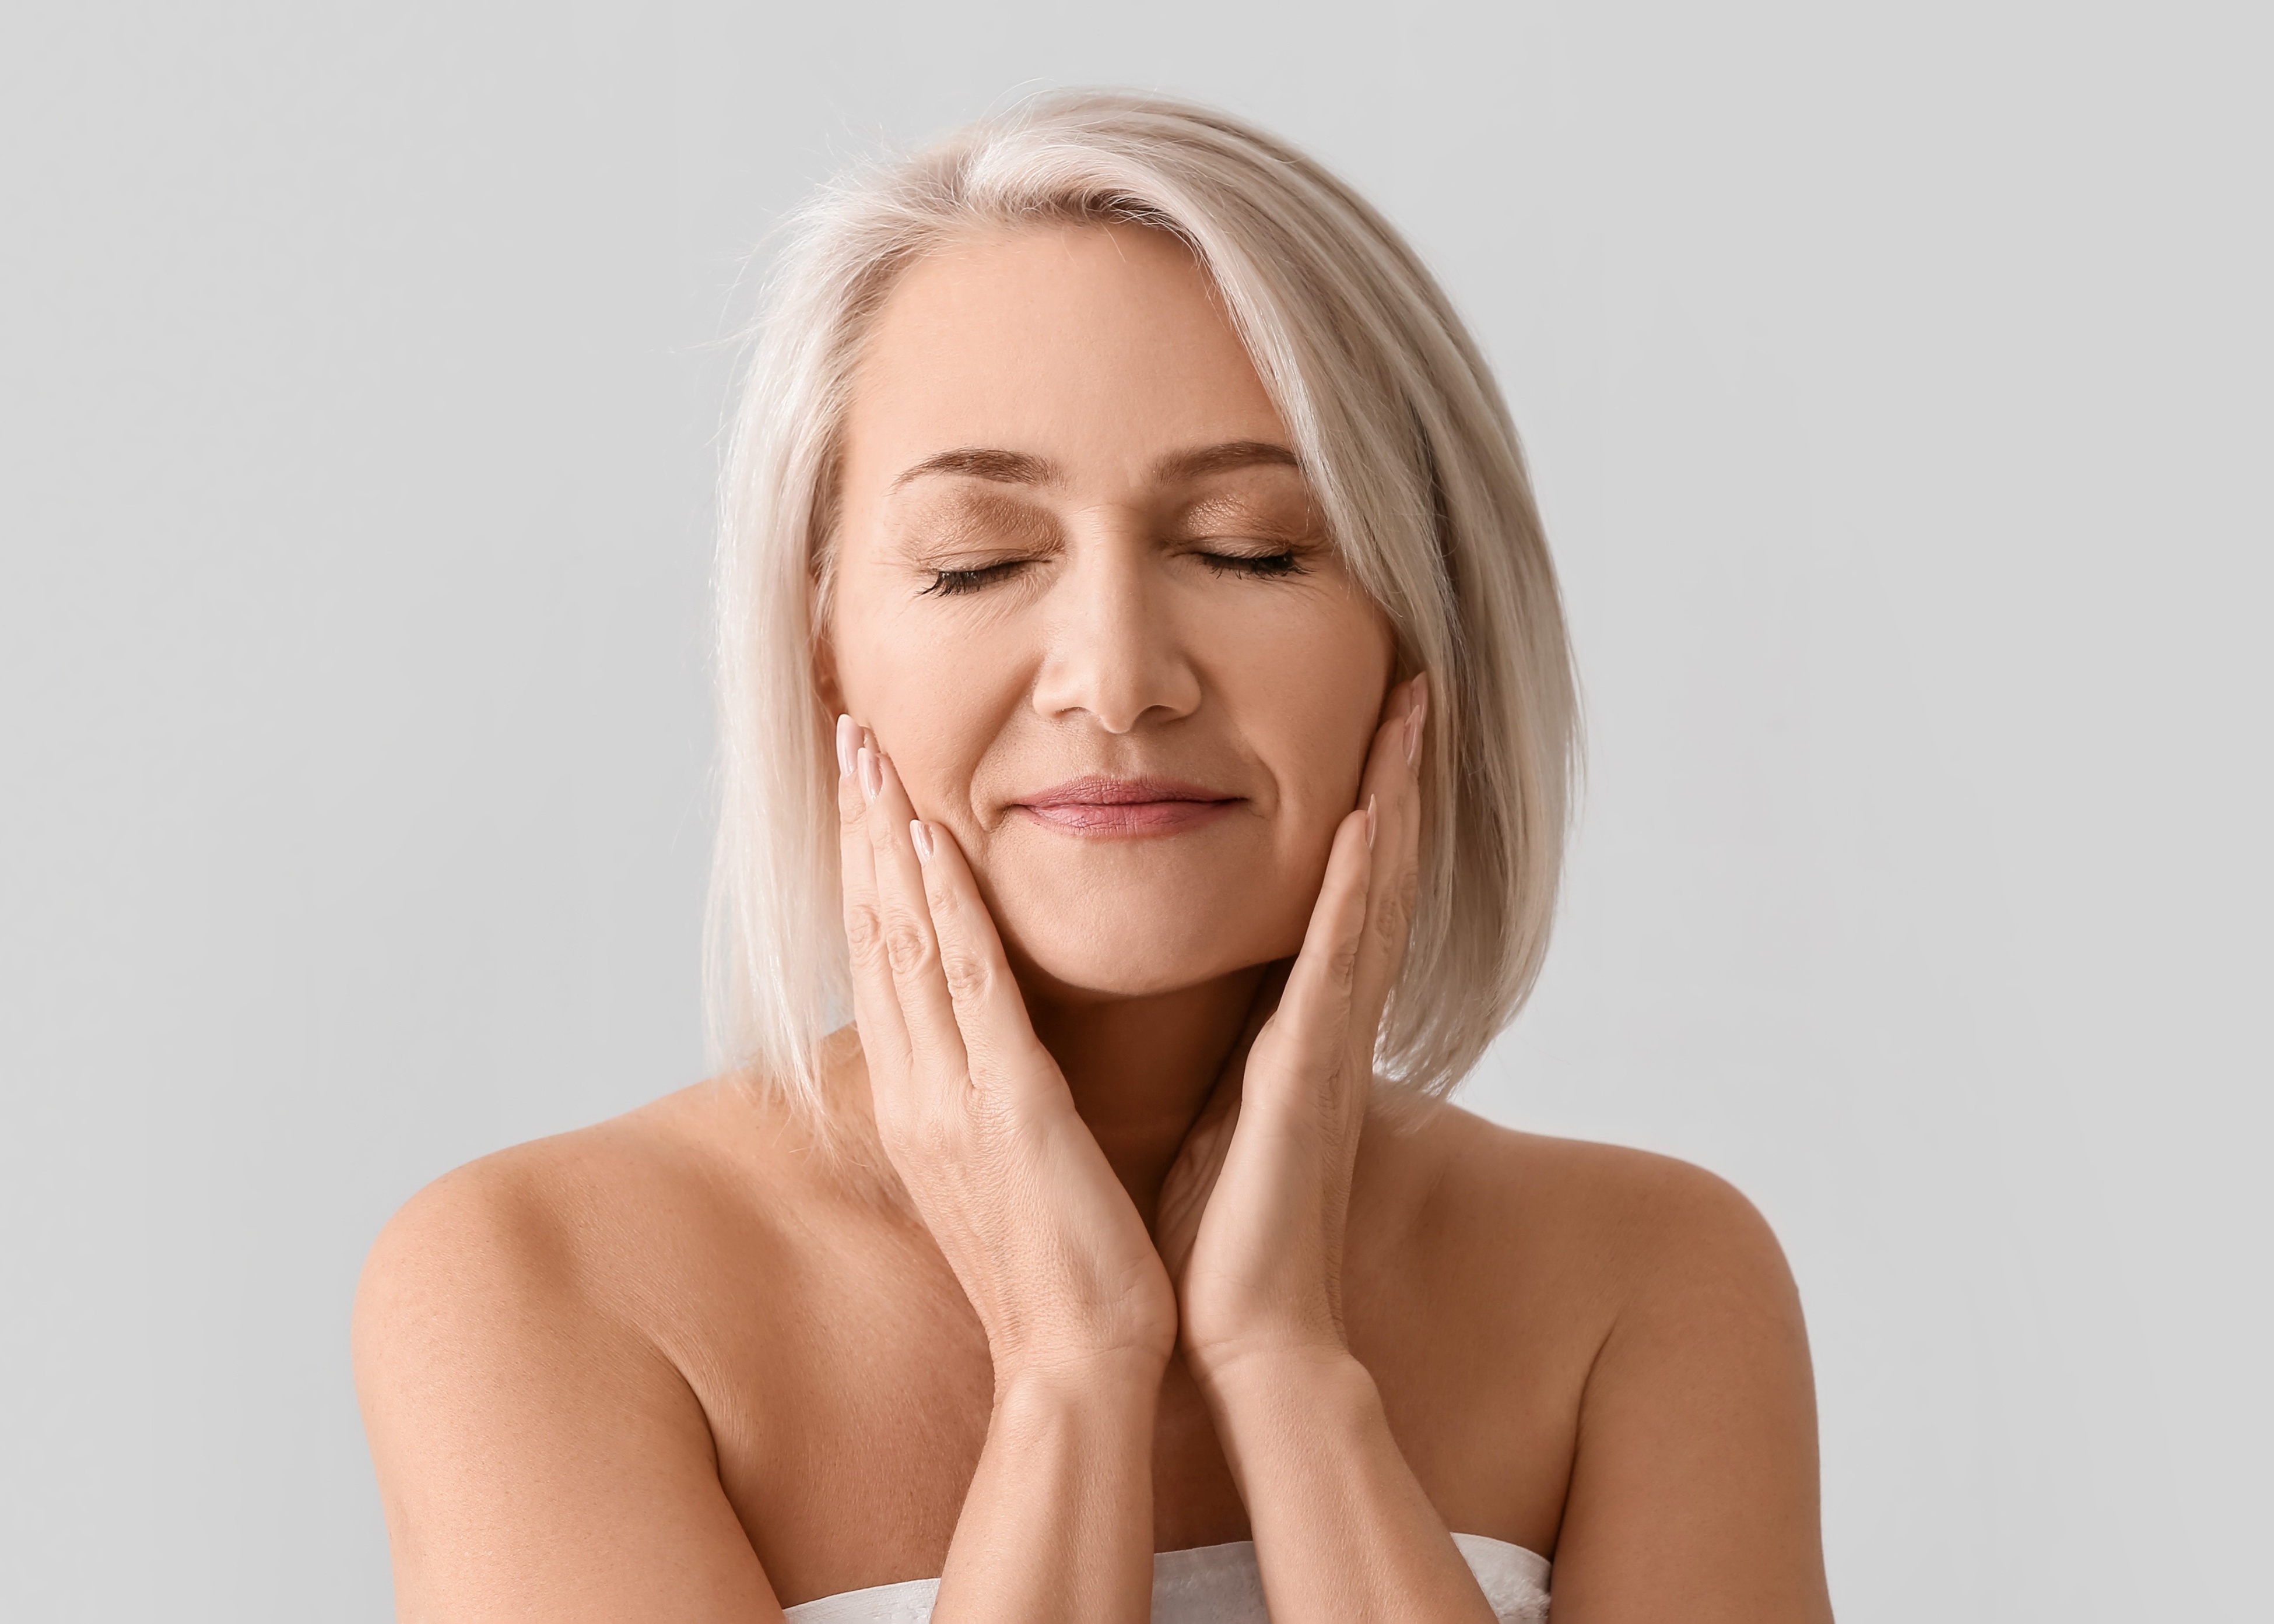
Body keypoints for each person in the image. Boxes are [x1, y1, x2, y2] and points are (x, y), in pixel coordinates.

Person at [352, 90, 1833, 1623]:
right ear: (821, 646)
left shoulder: (1648, 1281)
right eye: (979, 560)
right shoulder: (543, 1284)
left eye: (1250, 546)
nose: (1115, 676)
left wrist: (1287, 1368)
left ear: (1422, 627)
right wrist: (1070, 1368)